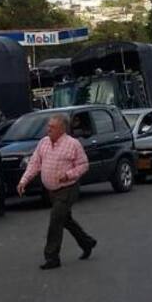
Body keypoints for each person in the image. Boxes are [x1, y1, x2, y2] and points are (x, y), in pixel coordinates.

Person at [18, 115, 97, 270]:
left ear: (62, 129)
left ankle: (52, 257)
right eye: (48, 126)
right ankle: (87, 242)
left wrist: (68, 175)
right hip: (52, 190)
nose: (48, 129)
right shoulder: (43, 143)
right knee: (64, 219)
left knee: (56, 219)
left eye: (52, 127)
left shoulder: (73, 144)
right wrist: (23, 181)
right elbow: (34, 163)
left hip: (68, 188)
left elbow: (83, 165)